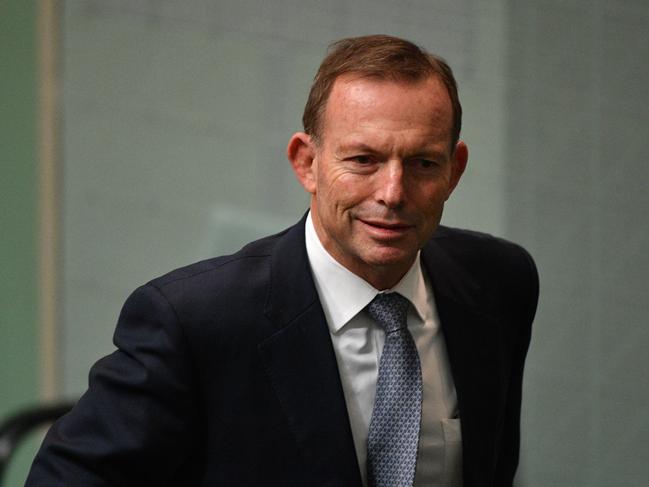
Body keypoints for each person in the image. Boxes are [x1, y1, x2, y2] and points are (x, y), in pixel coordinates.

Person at [26, 35, 538, 487]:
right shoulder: (194, 321)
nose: (392, 192)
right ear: (307, 163)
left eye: (423, 163)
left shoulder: (499, 283)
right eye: (363, 160)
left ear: (455, 170)